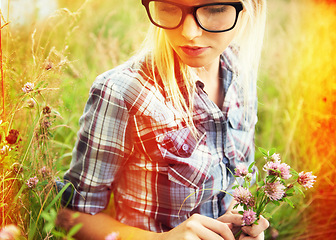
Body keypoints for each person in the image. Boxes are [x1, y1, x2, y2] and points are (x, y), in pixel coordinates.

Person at [57, 0, 269, 239]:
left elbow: (239, 179)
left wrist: (242, 219)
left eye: (214, 9)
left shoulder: (240, 68)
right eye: (169, 7)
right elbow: (70, 216)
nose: (189, 33)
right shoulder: (122, 92)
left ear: (248, 9)